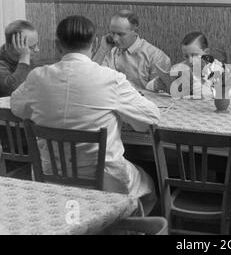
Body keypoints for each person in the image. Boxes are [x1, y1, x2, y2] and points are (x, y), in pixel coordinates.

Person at [11, 16, 160, 199]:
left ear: (58, 45)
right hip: (105, 181)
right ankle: (125, 224)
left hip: (50, 178)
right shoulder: (111, 79)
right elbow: (151, 117)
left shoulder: (37, 77)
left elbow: (16, 107)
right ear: (95, 42)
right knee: (149, 184)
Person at [92, 10, 171, 91]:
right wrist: (102, 50)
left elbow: (159, 95)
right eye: (112, 33)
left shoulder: (156, 57)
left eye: (120, 34)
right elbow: (90, 78)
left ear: (135, 31)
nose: (115, 39)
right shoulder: (109, 51)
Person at [152, 32, 229, 99]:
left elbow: (218, 94)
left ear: (206, 52)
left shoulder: (218, 69)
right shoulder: (181, 67)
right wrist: (158, 84)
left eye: (194, 55)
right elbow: (148, 86)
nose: (190, 61)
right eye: (186, 56)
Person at [0, 20, 39, 97]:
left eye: (37, 44)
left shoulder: (25, 58)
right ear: (10, 47)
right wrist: (24, 58)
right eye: (31, 47)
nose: (37, 50)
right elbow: (12, 91)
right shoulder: (24, 57)